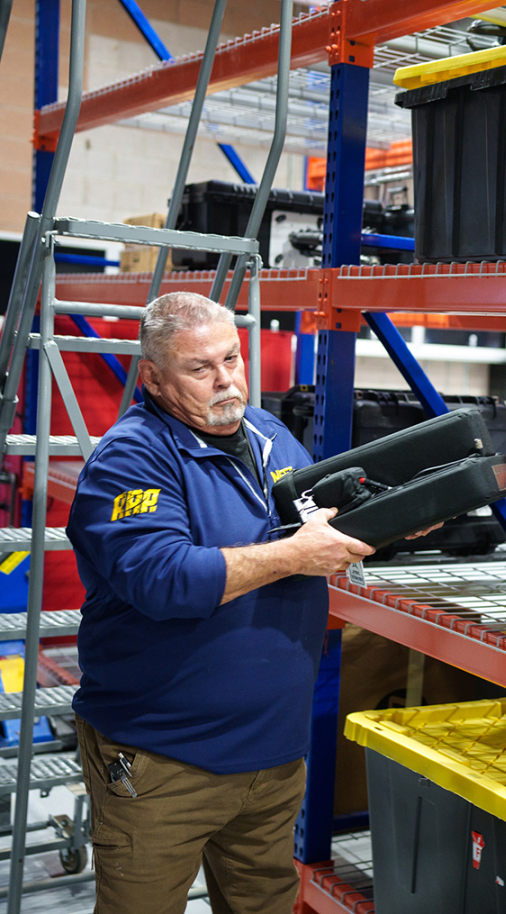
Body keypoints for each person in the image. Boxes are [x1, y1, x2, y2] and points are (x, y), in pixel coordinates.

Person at [67, 291, 376, 914]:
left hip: (274, 755)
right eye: (200, 368)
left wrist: (393, 520)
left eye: (232, 359)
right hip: (164, 762)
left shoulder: (268, 434)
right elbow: (162, 578)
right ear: (153, 378)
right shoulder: (131, 458)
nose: (226, 380)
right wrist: (291, 557)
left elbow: (320, 523)